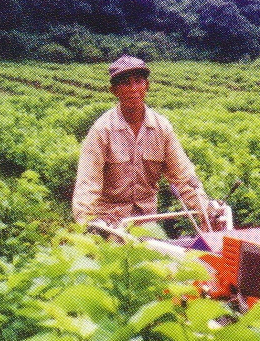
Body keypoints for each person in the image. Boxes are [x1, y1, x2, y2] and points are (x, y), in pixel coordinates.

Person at [72, 54, 215, 230]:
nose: (133, 89)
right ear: (114, 90)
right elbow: (87, 184)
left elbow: (183, 176)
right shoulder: (102, 130)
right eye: (125, 83)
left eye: (138, 81)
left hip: (147, 221)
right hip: (109, 223)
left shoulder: (161, 128)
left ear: (147, 86)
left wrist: (206, 209)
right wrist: (88, 222)